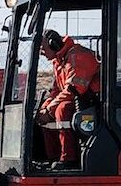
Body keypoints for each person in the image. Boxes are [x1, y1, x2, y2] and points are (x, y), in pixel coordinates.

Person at [35, 29, 101, 170]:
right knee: (45, 113)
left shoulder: (77, 56)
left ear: (54, 45)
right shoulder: (58, 61)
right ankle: (53, 157)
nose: (42, 52)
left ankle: (69, 158)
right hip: (78, 97)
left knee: (62, 110)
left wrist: (50, 109)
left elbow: (74, 89)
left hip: (92, 99)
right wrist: (44, 108)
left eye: (43, 48)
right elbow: (56, 90)